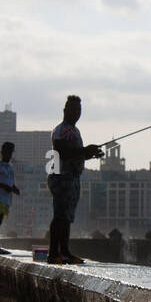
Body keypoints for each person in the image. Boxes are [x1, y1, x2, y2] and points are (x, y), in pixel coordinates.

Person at [48, 95, 105, 264]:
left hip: (72, 178)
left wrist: (90, 154)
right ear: (65, 110)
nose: (76, 113)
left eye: (79, 110)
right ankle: (53, 254)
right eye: (73, 109)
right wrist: (84, 150)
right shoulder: (61, 129)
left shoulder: (75, 131)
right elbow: (61, 152)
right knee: (59, 215)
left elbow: (76, 154)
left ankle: (64, 252)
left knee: (66, 217)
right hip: (61, 177)